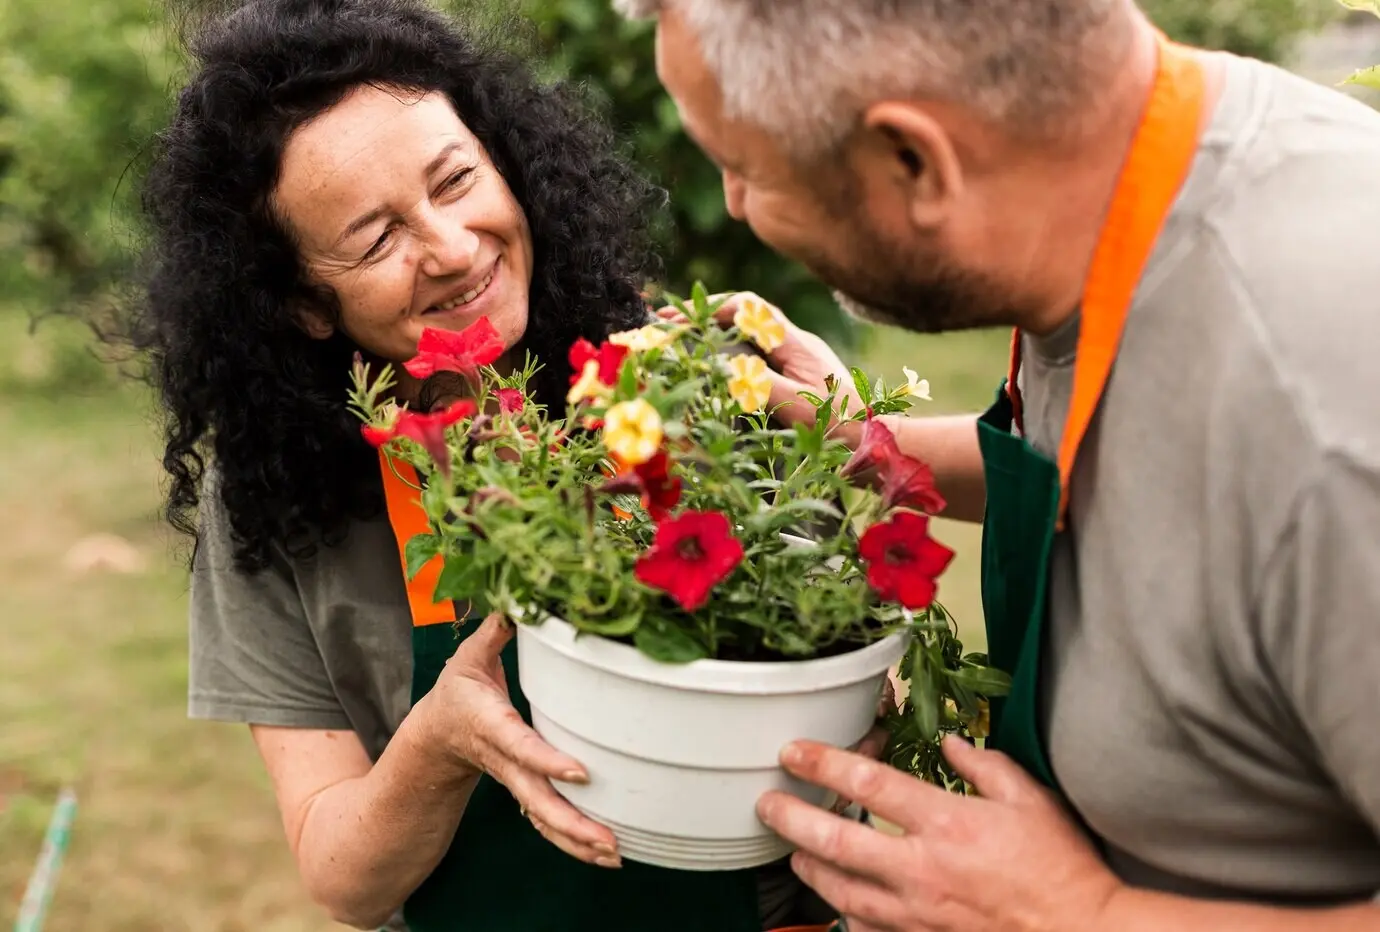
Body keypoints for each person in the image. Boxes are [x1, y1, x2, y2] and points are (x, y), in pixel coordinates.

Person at [616, 0, 1380, 929]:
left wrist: (1080, 914)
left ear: (914, 161)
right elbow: (1132, 465)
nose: (735, 204)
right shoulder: (1119, 197)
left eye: (743, 167)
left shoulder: (1331, 423)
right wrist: (859, 440)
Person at [122, 0, 842, 929]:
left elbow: (844, 687)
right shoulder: (271, 497)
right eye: (377, 239)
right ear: (300, 303)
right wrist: (440, 740)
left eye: (456, 180)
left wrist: (842, 437)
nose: (453, 251)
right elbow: (344, 878)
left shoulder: (684, 380)